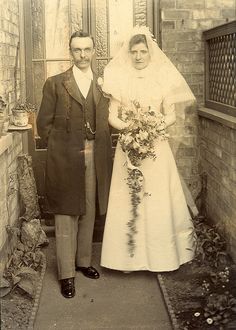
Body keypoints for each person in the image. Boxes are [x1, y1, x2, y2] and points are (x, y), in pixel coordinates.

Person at [100, 26, 196, 272]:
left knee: (156, 198)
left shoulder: (163, 77)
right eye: (134, 51)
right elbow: (112, 115)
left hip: (155, 147)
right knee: (128, 198)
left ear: (150, 52)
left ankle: (162, 258)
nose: (139, 56)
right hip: (129, 147)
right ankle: (126, 259)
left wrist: (151, 128)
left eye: (143, 51)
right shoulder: (119, 77)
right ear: (129, 53)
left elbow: (171, 116)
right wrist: (130, 130)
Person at [37, 31, 112, 298]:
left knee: (89, 207)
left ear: (93, 51)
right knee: (67, 212)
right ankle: (66, 274)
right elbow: (43, 125)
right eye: (77, 50)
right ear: (71, 52)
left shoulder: (104, 83)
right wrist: (60, 150)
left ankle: (83, 261)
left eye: (87, 49)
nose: (82, 55)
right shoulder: (56, 83)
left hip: (95, 152)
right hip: (66, 156)